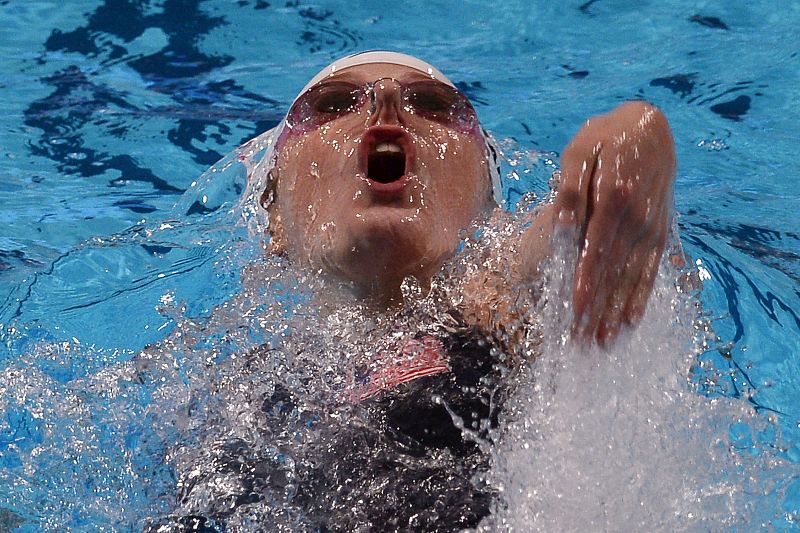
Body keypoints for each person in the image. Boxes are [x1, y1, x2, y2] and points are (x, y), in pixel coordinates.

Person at [149, 50, 677, 531]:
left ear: (486, 207)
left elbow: (570, 237)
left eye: (432, 105)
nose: (385, 111)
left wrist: (636, 142)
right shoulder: (219, 388)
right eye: (333, 105)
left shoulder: (495, 305)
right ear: (274, 222)